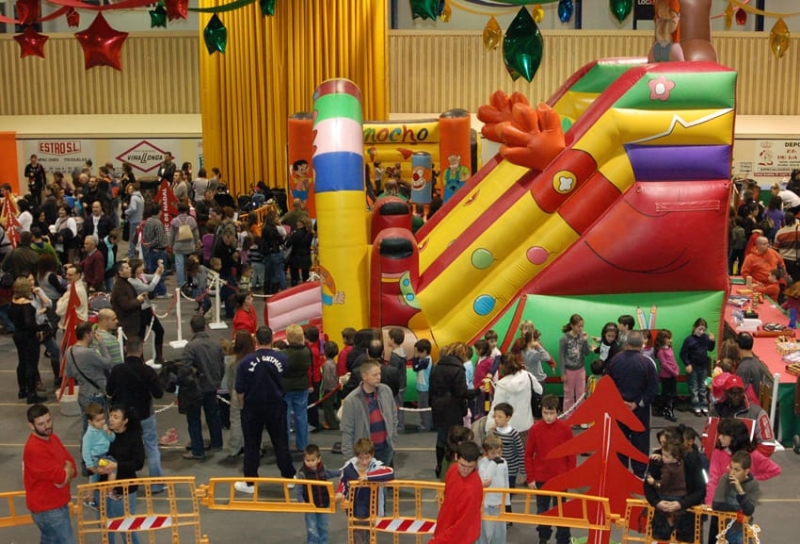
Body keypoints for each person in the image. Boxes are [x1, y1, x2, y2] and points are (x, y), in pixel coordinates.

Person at [234, 327, 296, 494]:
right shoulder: (282, 358)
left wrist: (243, 407)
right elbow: (286, 379)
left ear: (256, 340)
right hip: (276, 405)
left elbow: (239, 389)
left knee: (252, 445)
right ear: (272, 338)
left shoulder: (246, 362)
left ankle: (250, 482)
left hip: (252, 407)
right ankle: (289, 477)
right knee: (281, 442)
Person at [106, 336, 165, 494]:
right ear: (141, 350)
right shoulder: (148, 371)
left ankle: (118, 482)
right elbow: (158, 394)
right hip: (145, 415)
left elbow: (109, 391)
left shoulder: (117, 370)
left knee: (118, 449)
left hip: (122, 419)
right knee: (152, 447)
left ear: (125, 349)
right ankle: (157, 484)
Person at [605, 330, 659, 478]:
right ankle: (639, 475)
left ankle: (620, 474)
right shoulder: (648, 363)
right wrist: (637, 403)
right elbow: (653, 389)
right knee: (640, 442)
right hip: (640, 411)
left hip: (619, 410)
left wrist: (620, 402)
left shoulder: (615, 361)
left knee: (620, 441)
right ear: (642, 345)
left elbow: (607, 385)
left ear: (626, 343)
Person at [23, 403, 77, 544]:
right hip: (49, 510)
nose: (47, 426)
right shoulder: (35, 449)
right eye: (41, 424)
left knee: (50, 540)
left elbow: (71, 464)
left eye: (48, 421)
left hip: (56, 506)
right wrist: (66, 471)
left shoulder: (53, 438)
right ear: (31, 426)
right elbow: (62, 477)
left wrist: (66, 470)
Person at [525, 394, 575, 544]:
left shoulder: (565, 429)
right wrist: (531, 478)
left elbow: (571, 453)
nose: (548, 417)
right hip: (541, 478)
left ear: (558, 412)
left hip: (560, 477)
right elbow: (528, 455)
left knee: (561, 511)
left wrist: (570, 475)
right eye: (545, 413)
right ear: (541, 411)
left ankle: (563, 540)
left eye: (551, 413)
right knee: (543, 510)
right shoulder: (535, 429)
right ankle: (543, 537)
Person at [96, 404, 145, 544]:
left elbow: (138, 463)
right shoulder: (102, 434)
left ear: (125, 421)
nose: (111, 419)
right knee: (105, 525)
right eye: (110, 415)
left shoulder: (133, 437)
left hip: (125, 490)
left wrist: (117, 465)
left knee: (126, 526)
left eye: (116, 417)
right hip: (103, 487)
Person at [181, 315, 225, 460]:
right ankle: (217, 443)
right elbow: (221, 366)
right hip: (212, 386)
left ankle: (197, 450)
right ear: (205, 327)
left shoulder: (190, 347)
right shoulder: (217, 345)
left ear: (191, 328)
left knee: (194, 419)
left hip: (196, 389)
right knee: (213, 415)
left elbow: (185, 369)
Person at [341, 358, 398, 466]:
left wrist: (392, 439)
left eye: (379, 374)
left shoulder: (386, 391)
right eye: (375, 375)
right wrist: (349, 460)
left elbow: (394, 417)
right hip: (364, 456)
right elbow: (347, 431)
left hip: (386, 450)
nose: (379, 377)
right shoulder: (351, 401)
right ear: (364, 376)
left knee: (387, 482)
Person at [430, 343, 473, 477]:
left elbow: (431, 388)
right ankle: (453, 467)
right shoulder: (458, 369)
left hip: (438, 406)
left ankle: (439, 465)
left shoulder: (437, 366)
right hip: (453, 407)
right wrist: (476, 392)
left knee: (441, 437)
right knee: (455, 438)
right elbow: (461, 392)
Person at [65, 321, 114, 439]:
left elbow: (69, 373)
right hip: (95, 395)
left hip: (82, 394)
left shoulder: (70, 351)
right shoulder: (88, 353)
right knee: (101, 426)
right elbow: (108, 363)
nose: (94, 335)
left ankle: (85, 452)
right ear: (86, 335)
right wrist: (101, 344)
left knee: (86, 426)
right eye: (92, 333)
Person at [429, 441, 483, 544]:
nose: (466, 470)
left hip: (461, 538)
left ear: (476, 463)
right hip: (446, 529)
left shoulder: (472, 491)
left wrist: (437, 541)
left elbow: (461, 527)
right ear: (456, 457)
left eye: (470, 467)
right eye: (462, 465)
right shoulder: (452, 469)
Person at [711, 375, 776, 457]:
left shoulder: (758, 413)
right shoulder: (716, 411)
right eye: (732, 392)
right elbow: (708, 439)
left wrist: (746, 461)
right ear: (725, 393)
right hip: (719, 462)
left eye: (739, 392)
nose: (736, 396)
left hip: (746, 466)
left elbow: (768, 445)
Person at [9, 277, 47, 403]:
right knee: (31, 364)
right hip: (29, 337)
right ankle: (32, 393)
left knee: (22, 362)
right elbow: (29, 323)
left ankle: (22, 390)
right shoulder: (26, 303)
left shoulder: (14, 300)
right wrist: (41, 327)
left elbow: (10, 316)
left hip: (18, 334)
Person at [295, 444, 340, 544]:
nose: (310, 463)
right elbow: (299, 489)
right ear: (304, 460)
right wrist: (301, 501)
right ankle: (313, 542)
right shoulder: (303, 473)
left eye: (312, 460)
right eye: (307, 461)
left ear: (319, 459)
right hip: (310, 505)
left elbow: (329, 473)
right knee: (312, 527)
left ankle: (323, 542)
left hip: (323, 503)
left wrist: (339, 472)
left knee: (323, 525)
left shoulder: (322, 468)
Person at [711, 450, 760, 544]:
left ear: (746, 471)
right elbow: (716, 505)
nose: (732, 473)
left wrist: (740, 491)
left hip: (745, 527)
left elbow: (749, 510)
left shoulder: (753, 484)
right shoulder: (725, 479)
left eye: (737, 470)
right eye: (731, 468)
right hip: (728, 528)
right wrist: (738, 510)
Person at [487, 402, 524, 517]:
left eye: (500, 417)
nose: (496, 419)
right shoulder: (494, 432)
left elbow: (520, 452)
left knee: (508, 494)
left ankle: (506, 515)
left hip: (510, 471)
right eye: (495, 416)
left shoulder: (513, 434)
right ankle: (505, 516)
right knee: (498, 494)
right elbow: (488, 447)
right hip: (496, 471)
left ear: (508, 418)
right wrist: (490, 433)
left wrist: (522, 471)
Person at [645, 441, 687, 539]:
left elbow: (662, 484)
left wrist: (653, 482)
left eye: (666, 456)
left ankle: (666, 525)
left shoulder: (667, 469)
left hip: (667, 495)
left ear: (674, 458)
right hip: (680, 495)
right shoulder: (680, 465)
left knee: (661, 513)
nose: (663, 457)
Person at [222, 331, 253, 461]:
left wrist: (232, 393)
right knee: (253, 421)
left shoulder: (232, 361)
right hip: (252, 392)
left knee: (236, 421)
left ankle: (235, 448)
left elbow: (228, 381)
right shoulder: (254, 359)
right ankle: (253, 447)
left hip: (236, 392)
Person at [128, 258, 165, 364]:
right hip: (140, 311)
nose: (143, 268)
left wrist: (159, 270)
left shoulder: (141, 276)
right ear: (135, 269)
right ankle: (140, 360)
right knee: (140, 336)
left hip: (147, 308)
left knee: (159, 330)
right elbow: (150, 288)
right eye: (140, 266)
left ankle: (159, 356)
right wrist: (157, 275)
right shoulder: (133, 281)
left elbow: (153, 277)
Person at [283, 323, 313, 451]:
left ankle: (285, 444)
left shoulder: (283, 354)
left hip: (285, 388)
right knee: (301, 416)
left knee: (285, 418)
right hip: (302, 386)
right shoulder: (307, 352)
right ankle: (303, 444)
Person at [679, 317, 716, 417]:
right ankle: (696, 406)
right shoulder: (689, 340)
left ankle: (704, 405)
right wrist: (687, 364)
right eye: (699, 329)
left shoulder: (705, 338)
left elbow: (710, 349)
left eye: (703, 330)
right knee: (694, 388)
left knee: (703, 387)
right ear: (694, 327)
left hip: (703, 366)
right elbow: (683, 353)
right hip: (693, 367)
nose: (701, 331)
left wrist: (712, 341)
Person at [82, 402, 116, 509]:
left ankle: (92, 497)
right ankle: (104, 493)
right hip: (96, 458)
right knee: (110, 469)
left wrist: (109, 432)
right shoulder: (89, 435)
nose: (102, 422)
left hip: (104, 455)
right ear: (90, 421)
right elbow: (85, 450)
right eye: (98, 420)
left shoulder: (103, 429)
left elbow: (112, 439)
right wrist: (89, 464)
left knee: (95, 478)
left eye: (103, 419)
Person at [477, 435, 508, 544]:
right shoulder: (482, 463)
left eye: (499, 452)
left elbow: (506, 482)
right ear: (486, 452)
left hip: (500, 503)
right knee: (485, 533)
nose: (497, 456)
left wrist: (506, 501)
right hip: (486, 504)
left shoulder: (504, 462)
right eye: (493, 453)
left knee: (500, 534)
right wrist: (493, 463)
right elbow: (486, 479)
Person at [559, 313, 591, 414]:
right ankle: (568, 416)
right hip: (569, 370)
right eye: (579, 326)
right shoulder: (564, 338)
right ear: (572, 325)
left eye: (582, 326)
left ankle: (580, 415)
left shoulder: (582, 337)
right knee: (569, 394)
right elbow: (561, 356)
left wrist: (585, 341)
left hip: (580, 369)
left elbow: (587, 352)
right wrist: (563, 373)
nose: (581, 328)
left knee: (580, 393)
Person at [110, 262, 146, 341]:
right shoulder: (120, 286)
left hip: (132, 323)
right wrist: (138, 300)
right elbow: (125, 305)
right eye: (127, 268)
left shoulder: (125, 282)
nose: (130, 269)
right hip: (127, 324)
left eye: (129, 267)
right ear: (120, 272)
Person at [170, 202, 199, 287]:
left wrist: (171, 245)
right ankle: (191, 281)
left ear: (178, 210)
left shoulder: (174, 221)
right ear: (187, 210)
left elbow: (171, 234)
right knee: (190, 264)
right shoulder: (191, 220)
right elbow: (196, 233)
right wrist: (197, 242)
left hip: (178, 246)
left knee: (179, 265)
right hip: (190, 246)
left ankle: (181, 284)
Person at [655, 329, 679, 422]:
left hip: (673, 375)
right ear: (663, 339)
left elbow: (673, 360)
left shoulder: (670, 349)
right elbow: (664, 365)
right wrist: (673, 372)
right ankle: (666, 409)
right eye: (668, 338)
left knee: (673, 393)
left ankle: (669, 408)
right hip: (666, 376)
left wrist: (677, 369)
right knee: (667, 393)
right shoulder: (661, 352)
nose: (670, 340)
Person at [386, 327, 407, 433]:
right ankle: (399, 423)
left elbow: (392, 373)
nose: (387, 340)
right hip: (402, 384)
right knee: (399, 404)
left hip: (397, 386)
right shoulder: (402, 352)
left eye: (388, 338)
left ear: (393, 339)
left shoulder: (395, 356)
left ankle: (399, 425)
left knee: (397, 406)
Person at [735, 332, 765, 407]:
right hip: (757, 406)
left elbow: (738, 395)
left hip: (747, 408)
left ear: (737, 346)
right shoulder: (758, 363)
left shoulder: (743, 368)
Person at [412, 338, 433, 432]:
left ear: (424, 351)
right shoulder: (424, 359)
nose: (417, 355)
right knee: (422, 407)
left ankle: (426, 425)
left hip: (424, 388)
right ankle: (426, 423)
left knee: (423, 408)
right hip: (422, 387)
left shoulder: (426, 361)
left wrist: (415, 357)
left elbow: (415, 368)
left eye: (419, 353)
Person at [320, 341, 339, 431]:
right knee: (330, 406)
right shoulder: (333, 363)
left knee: (328, 407)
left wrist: (323, 390)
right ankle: (332, 421)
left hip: (329, 389)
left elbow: (326, 379)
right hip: (334, 387)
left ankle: (331, 424)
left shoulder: (326, 364)